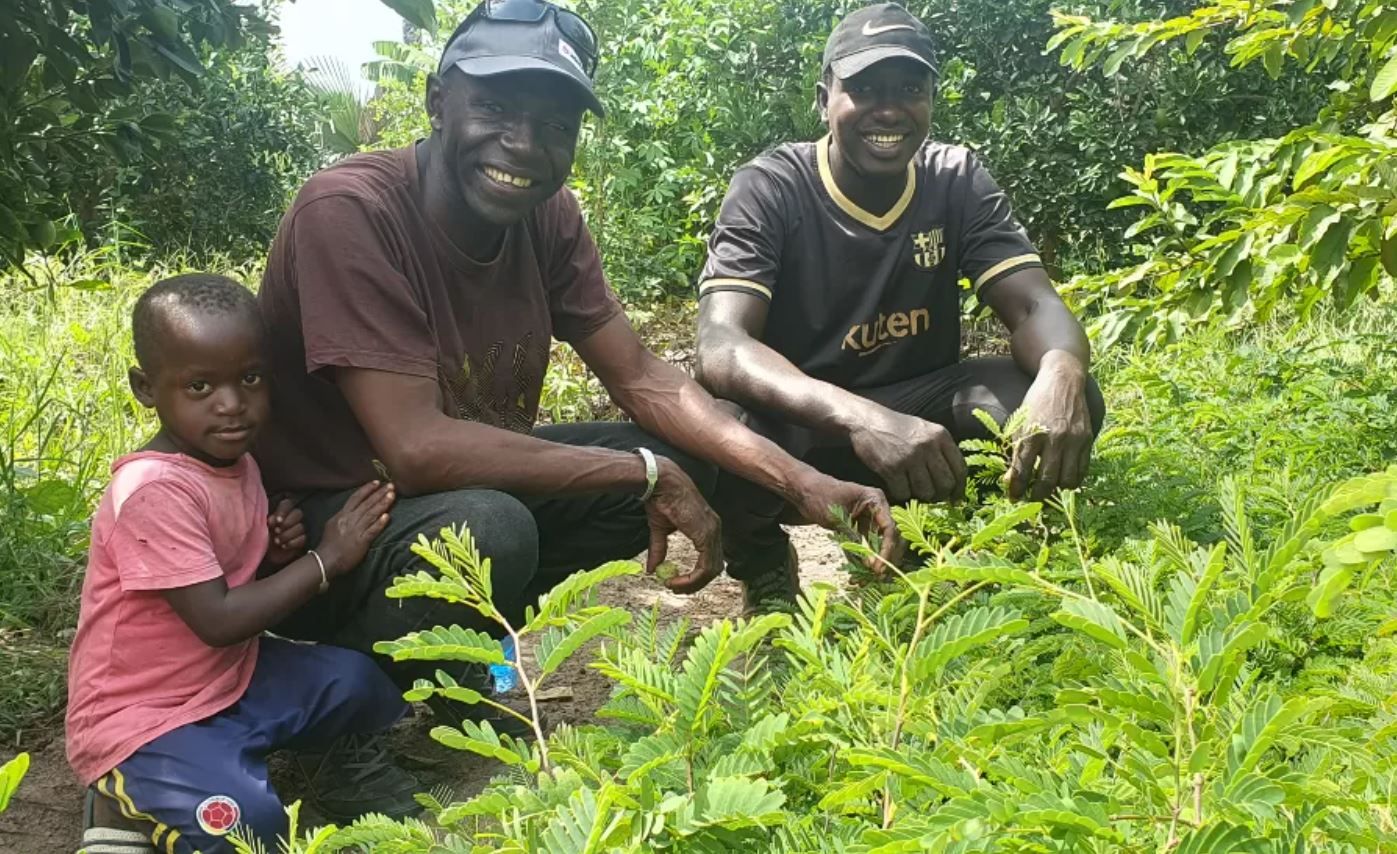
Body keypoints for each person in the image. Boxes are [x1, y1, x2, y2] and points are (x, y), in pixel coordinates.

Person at [253, 0, 900, 813]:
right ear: (435, 99)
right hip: (312, 533)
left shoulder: (545, 215)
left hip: (426, 499)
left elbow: (643, 377)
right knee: (494, 522)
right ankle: (339, 728)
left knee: (685, 451)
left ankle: (453, 673)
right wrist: (638, 471)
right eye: (494, 108)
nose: (524, 145)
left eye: (555, 124)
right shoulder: (351, 212)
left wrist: (797, 478)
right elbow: (414, 447)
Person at [694, 3, 1106, 598]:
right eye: (863, 88)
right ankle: (763, 569)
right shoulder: (772, 188)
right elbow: (722, 347)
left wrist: (1063, 370)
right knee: (711, 432)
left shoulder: (954, 179)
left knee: (1062, 395)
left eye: (909, 88)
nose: (888, 109)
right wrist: (862, 417)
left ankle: (960, 548)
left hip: (920, 415)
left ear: (931, 100)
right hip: (804, 420)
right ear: (824, 98)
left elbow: (1032, 305)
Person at [67, 275, 412, 854]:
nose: (231, 404)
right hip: (144, 717)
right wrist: (327, 558)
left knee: (357, 682)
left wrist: (274, 555)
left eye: (249, 378)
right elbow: (219, 619)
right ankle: (118, 794)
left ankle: (229, 765)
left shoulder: (234, 461)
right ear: (145, 387)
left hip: (227, 679)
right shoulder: (152, 489)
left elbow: (226, 578)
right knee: (252, 828)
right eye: (200, 385)